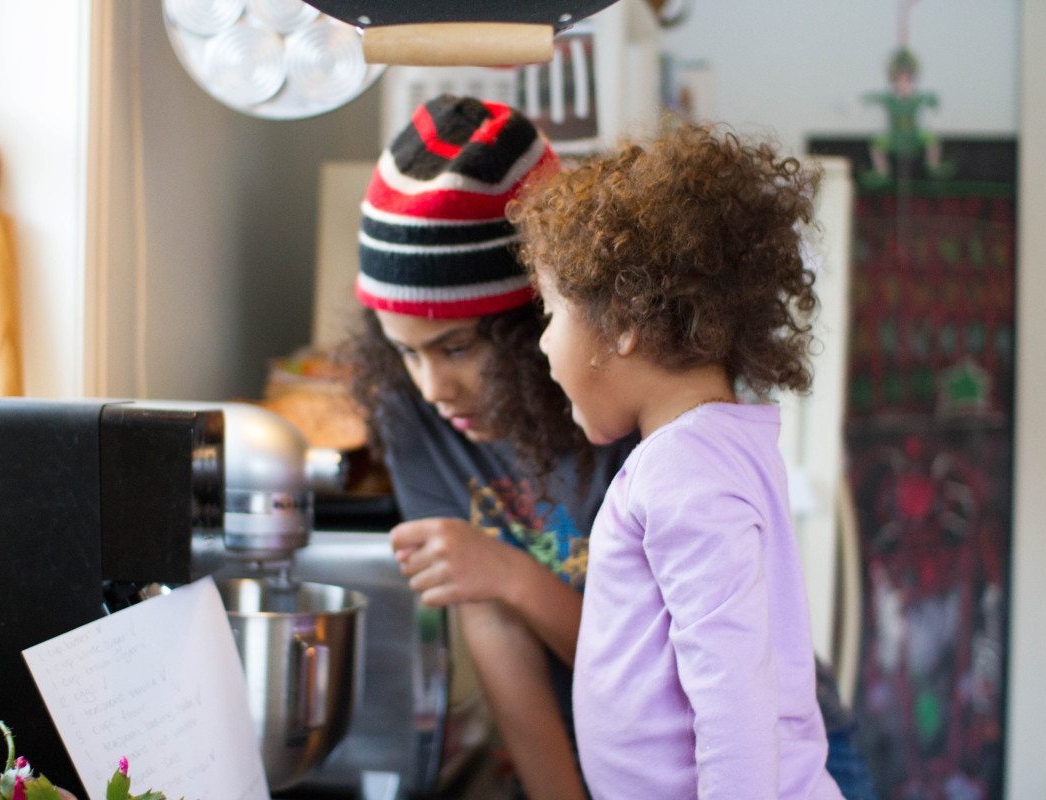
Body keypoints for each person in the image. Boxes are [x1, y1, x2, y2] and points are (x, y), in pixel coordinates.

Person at [341, 94, 874, 799]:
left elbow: (710, 689)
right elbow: (493, 625)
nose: (432, 386)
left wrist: (511, 575)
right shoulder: (417, 416)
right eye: (403, 352)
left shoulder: (662, 441)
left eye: (459, 346)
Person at [508, 121, 842, 798]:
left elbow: (733, 694)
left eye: (551, 313)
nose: (543, 346)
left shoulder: (681, 470)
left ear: (624, 321)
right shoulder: (723, 448)